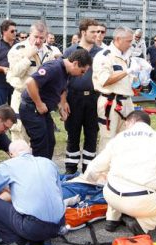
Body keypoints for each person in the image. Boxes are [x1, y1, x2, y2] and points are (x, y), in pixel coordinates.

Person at [86, 111, 156, 235]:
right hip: (141, 201)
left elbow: (94, 168)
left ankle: (112, 219)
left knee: (116, 178)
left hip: (111, 196)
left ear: (129, 121)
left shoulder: (119, 138)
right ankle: (143, 223)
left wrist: (91, 180)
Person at [0, 140, 66, 245]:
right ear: (30, 150)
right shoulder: (48, 163)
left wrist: (3, 189)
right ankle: (45, 240)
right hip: (58, 225)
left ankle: (18, 243)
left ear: (11, 155)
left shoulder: (9, 165)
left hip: (33, 227)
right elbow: (59, 194)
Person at [20, 49, 92, 159]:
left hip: (43, 111)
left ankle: (46, 170)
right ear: (75, 63)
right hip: (31, 108)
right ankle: (38, 173)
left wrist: (62, 106)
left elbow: (62, 89)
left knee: (50, 142)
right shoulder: (54, 68)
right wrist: (39, 104)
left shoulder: (67, 72)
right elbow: (30, 83)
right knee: (41, 145)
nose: (82, 75)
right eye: (82, 71)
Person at [6, 20, 57, 142]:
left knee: (42, 137)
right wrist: (27, 57)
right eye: (35, 37)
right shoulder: (18, 49)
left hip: (41, 99)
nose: (38, 41)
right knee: (20, 136)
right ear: (30, 34)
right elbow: (16, 72)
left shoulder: (50, 51)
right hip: (22, 97)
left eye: (41, 38)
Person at [63, 18, 103, 174]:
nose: (96, 34)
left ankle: (89, 170)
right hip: (73, 98)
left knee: (92, 135)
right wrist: (63, 101)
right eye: (93, 31)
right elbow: (63, 78)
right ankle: (70, 171)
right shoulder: (70, 51)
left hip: (94, 98)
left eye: (98, 31)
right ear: (83, 32)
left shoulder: (101, 53)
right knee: (72, 134)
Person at [91, 26, 138, 152]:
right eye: (128, 41)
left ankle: (120, 170)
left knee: (127, 139)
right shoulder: (104, 55)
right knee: (108, 140)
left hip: (126, 101)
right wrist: (127, 71)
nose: (131, 44)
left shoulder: (127, 56)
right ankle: (103, 171)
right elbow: (105, 80)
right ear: (118, 39)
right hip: (110, 102)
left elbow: (125, 81)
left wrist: (138, 78)